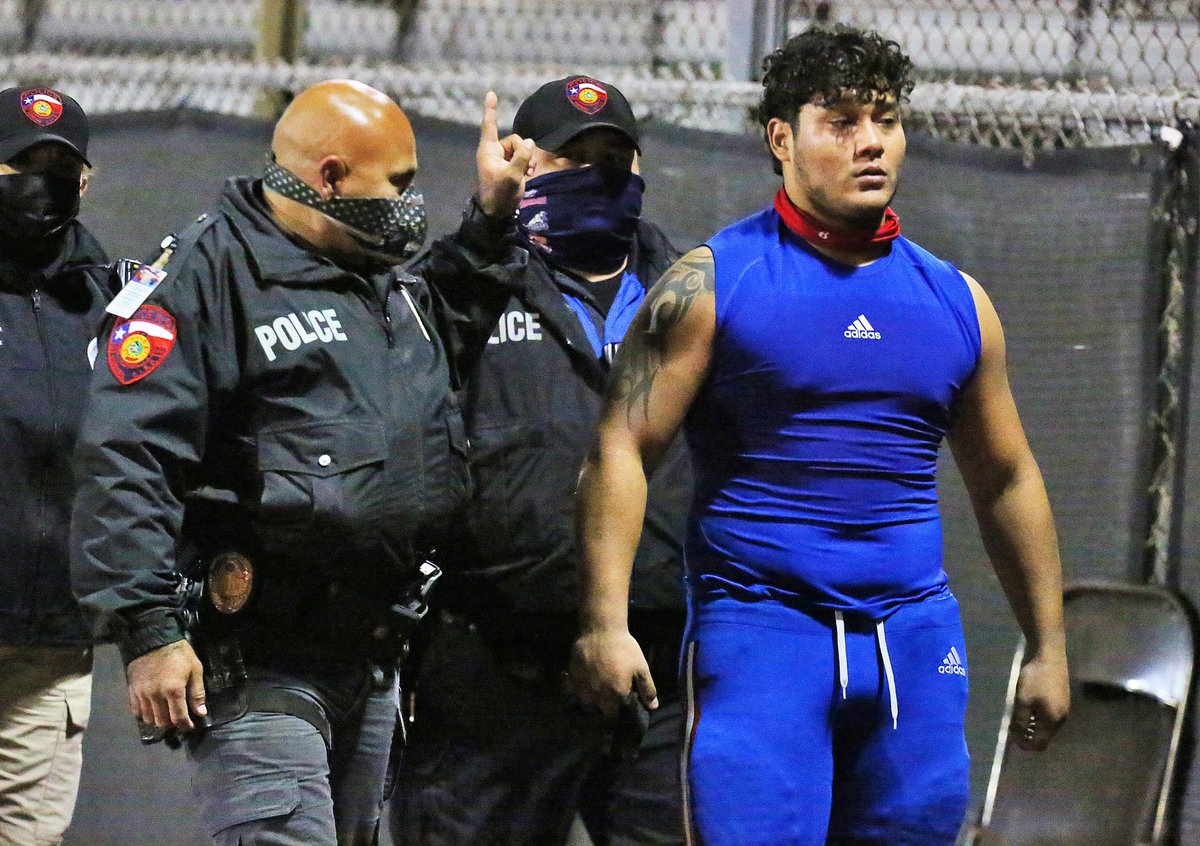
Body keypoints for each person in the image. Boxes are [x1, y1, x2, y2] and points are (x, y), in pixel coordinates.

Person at [569, 25, 1071, 846]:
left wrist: (1047, 645)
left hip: (915, 640)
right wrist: (604, 622)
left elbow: (1007, 477)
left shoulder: (957, 301)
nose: (871, 142)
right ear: (782, 138)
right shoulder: (709, 284)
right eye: (841, 121)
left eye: (885, 119)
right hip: (765, 633)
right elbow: (620, 448)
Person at [69, 79, 532, 846]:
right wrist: (148, 627)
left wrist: (489, 221)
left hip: (374, 653)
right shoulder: (203, 278)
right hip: (264, 656)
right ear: (330, 177)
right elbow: (129, 451)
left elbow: (437, 336)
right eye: (401, 184)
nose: (412, 203)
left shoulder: (376, 269)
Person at [389, 76, 690, 846]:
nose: (597, 175)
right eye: (571, 158)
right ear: (522, 161)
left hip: (655, 670)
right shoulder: (471, 281)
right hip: (497, 672)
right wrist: (488, 223)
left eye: (614, 158)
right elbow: (407, 355)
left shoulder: (690, 290)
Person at [0, 85, 112, 846]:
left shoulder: (111, 299)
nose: (41, 183)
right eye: (20, 165)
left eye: (59, 166)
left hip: (49, 638)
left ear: (86, 179)